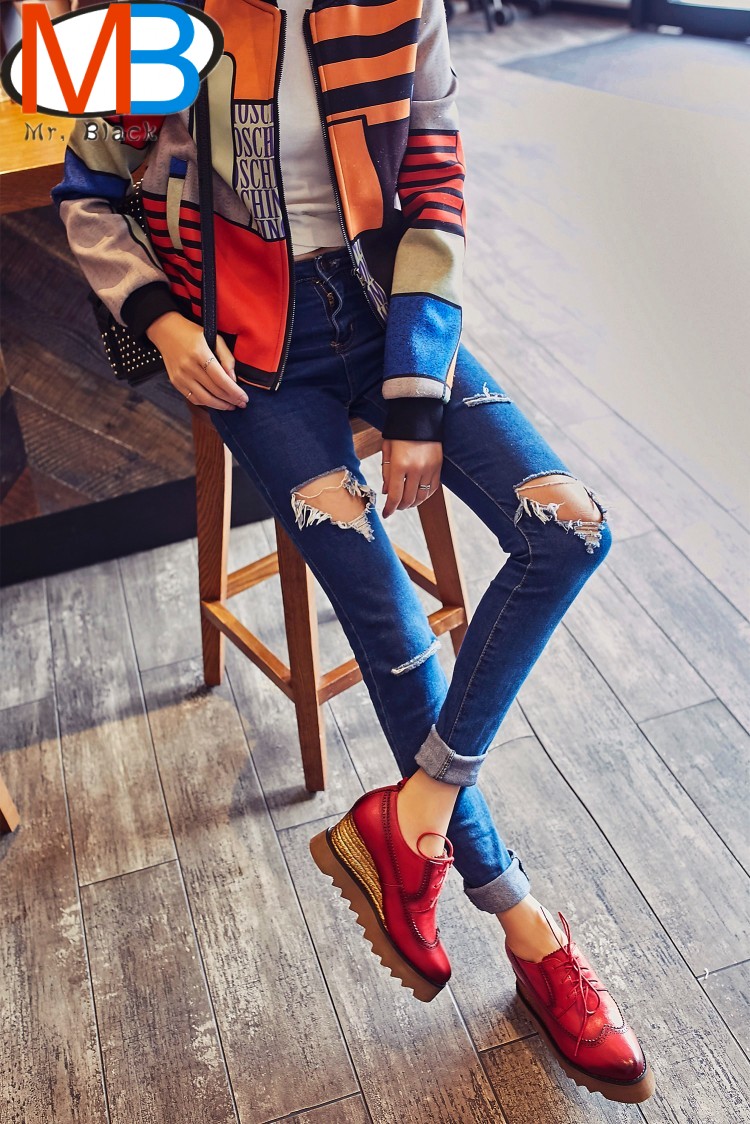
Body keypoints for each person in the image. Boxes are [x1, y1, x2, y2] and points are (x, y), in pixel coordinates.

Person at [51, 0, 654, 1105]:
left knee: (571, 529)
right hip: (252, 356)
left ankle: (411, 817)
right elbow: (89, 190)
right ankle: (526, 926)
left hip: (390, 308)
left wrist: (417, 392)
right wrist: (163, 324)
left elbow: (435, 180)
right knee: (389, 620)